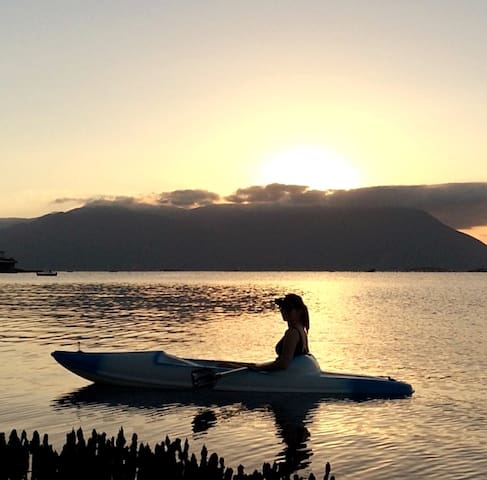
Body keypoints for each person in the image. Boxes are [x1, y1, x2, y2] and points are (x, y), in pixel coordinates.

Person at [251, 293, 310, 371]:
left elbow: (283, 364)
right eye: (282, 308)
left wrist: (258, 368)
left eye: (289, 309)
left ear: (299, 312)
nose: (284, 311)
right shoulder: (301, 329)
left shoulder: (292, 333)